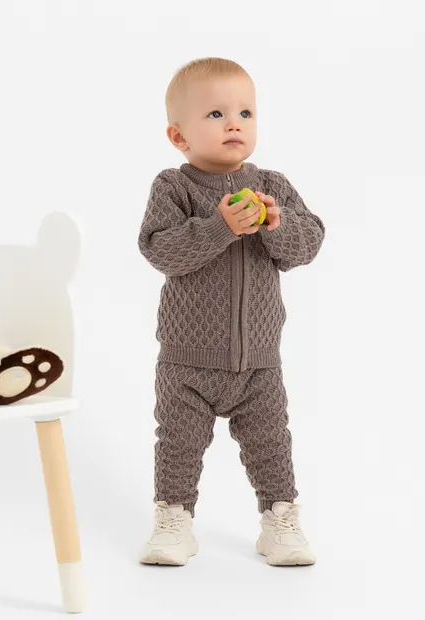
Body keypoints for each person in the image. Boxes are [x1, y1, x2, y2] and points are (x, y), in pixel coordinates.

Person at [138, 57, 325, 567]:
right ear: (179, 136)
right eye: (216, 114)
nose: (234, 124)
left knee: (271, 444)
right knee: (178, 444)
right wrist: (220, 227)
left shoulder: (273, 186)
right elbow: (160, 250)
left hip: (258, 361)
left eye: (245, 112)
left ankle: (280, 520)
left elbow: (308, 244)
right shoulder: (173, 187)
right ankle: (173, 519)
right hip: (187, 360)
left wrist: (277, 225)